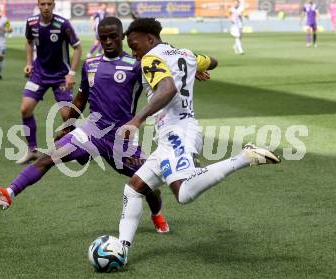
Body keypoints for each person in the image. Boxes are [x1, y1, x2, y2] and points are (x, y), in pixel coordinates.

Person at [0, 17, 170, 233]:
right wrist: (68, 124)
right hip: (91, 132)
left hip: (121, 140)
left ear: (122, 37)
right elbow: (81, 100)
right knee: (48, 158)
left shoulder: (136, 66)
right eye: (103, 37)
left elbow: (164, 81)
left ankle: (157, 215)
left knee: (150, 188)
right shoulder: (90, 65)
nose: (107, 41)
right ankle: (9, 193)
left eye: (113, 37)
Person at [115, 18, 281, 259]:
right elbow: (213, 61)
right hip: (172, 135)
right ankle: (122, 250)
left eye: (135, 45)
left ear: (150, 39)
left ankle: (245, 157)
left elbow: (167, 89)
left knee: (183, 193)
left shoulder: (151, 58)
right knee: (133, 189)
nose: (134, 52)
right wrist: (197, 68)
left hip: (177, 132)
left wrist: (136, 120)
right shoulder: (186, 54)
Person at [16, 0, 82, 164]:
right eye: (43, 4)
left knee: (67, 115)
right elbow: (29, 42)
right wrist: (29, 63)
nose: (46, 7)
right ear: (38, 5)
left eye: (49, 4)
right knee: (25, 109)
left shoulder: (63, 24)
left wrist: (71, 73)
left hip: (60, 75)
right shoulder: (31, 23)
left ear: (54, 5)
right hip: (39, 74)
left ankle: (73, 150)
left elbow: (78, 47)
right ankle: (32, 150)